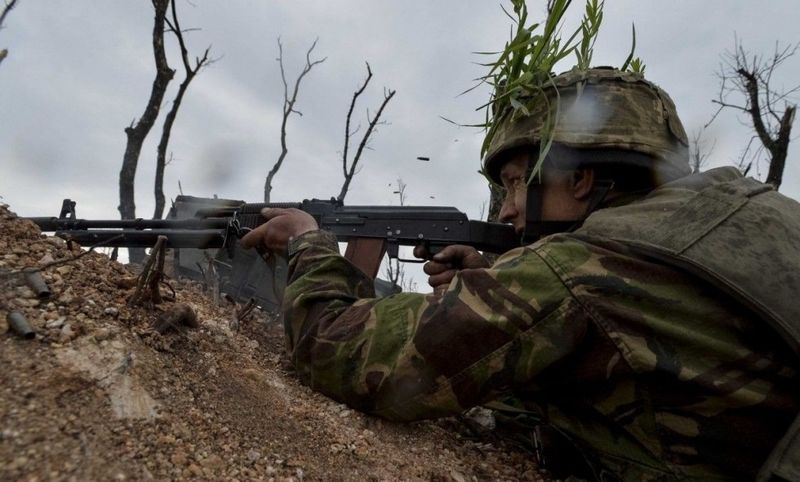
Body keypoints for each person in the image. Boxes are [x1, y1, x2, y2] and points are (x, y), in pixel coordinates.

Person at [241, 68, 800, 481]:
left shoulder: (576, 271)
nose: (507, 209)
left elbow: (341, 355)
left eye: (514, 182)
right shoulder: (746, 215)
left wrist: (308, 243)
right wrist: (493, 280)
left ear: (579, 179)